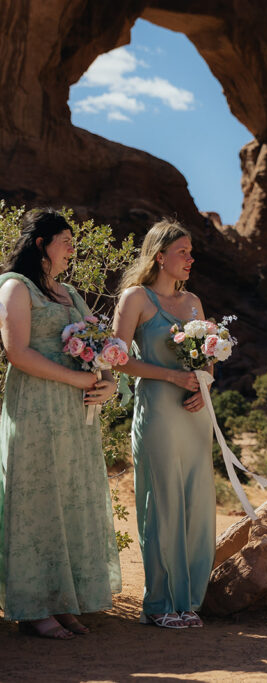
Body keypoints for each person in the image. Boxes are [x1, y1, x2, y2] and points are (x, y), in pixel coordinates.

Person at [0, 209, 120, 639]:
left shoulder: (69, 292)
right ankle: (33, 608)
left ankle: (63, 600)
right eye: (65, 239)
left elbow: (99, 346)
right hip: (34, 408)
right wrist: (77, 378)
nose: (73, 247)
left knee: (70, 498)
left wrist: (108, 383)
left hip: (76, 416)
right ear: (40, 244)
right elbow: (17, 352)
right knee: (37, 501)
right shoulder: (17, 287)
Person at [112, 220, 214, 630]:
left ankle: (188, 601)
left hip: (195, 412)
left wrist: (203, 382)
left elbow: (209, 358)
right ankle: (158, 604)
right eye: (183, 252)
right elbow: (117, 356)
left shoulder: (193, 303)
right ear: (159, 256)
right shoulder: (136, 297)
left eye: (191, 252)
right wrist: (171, 377)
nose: (190, 259)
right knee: (163, 503)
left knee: (196, 503)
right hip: (157, 410)